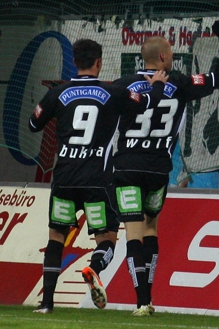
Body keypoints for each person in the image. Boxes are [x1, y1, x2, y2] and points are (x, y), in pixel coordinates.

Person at [29, 38, 168, 313]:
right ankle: (93, 268)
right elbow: (146, 104)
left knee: (56, 236)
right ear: (99, 62)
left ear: (74, 61)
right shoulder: (113, 92)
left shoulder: (58, 93)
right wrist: (158, 85)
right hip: (97, 180)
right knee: (107, 238)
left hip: (64, 177)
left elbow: (34, 124)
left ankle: (46, 304)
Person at [111, 20, 219, 316]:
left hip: (126, 168)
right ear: (163, 57)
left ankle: (141, 300)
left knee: (133, 233)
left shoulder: (123, 85)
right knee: (151, 228)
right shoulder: (180, 84)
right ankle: (148, 299)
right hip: (158, 171)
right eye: (171, 52)